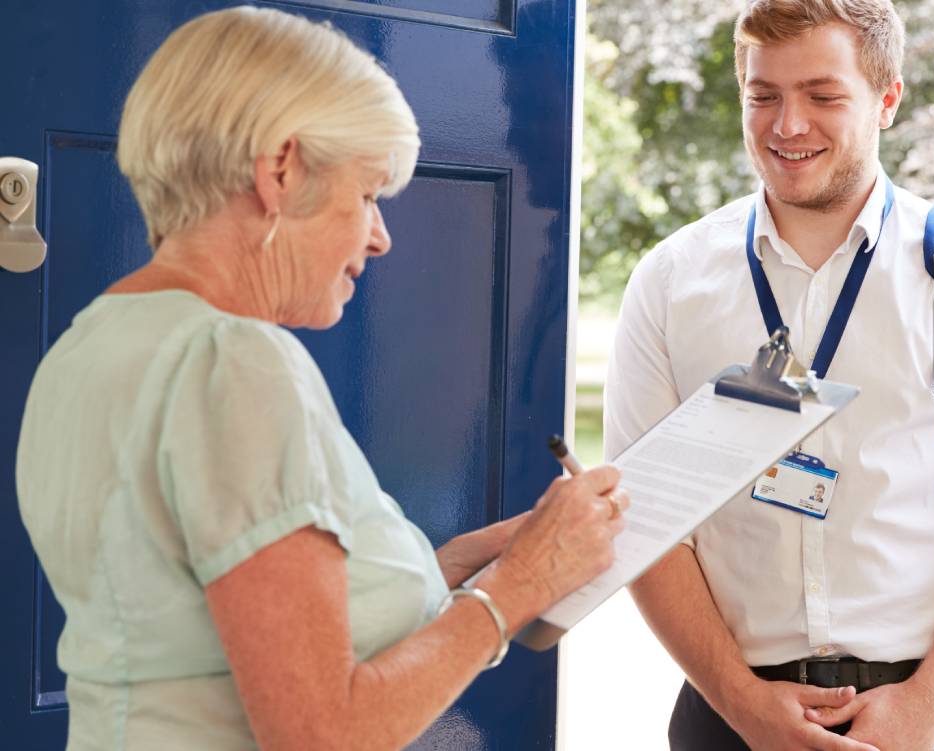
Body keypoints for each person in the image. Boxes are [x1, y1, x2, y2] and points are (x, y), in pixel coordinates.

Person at [14, 7, 626, 750]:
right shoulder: (233, 365)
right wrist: (520, 584)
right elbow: (320, 733)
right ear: (281, 169)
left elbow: (205, 624)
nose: (380, 234)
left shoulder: (85, 347)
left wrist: (478, 561)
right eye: (368, 194)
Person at [604, 1, 934, 750]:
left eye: (822, 96)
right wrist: (740, 704)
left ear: (887, 98)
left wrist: (926, 704)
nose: (787, 125)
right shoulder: (670, 281)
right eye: (763, 95)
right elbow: (647, 521)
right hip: (732, 718)